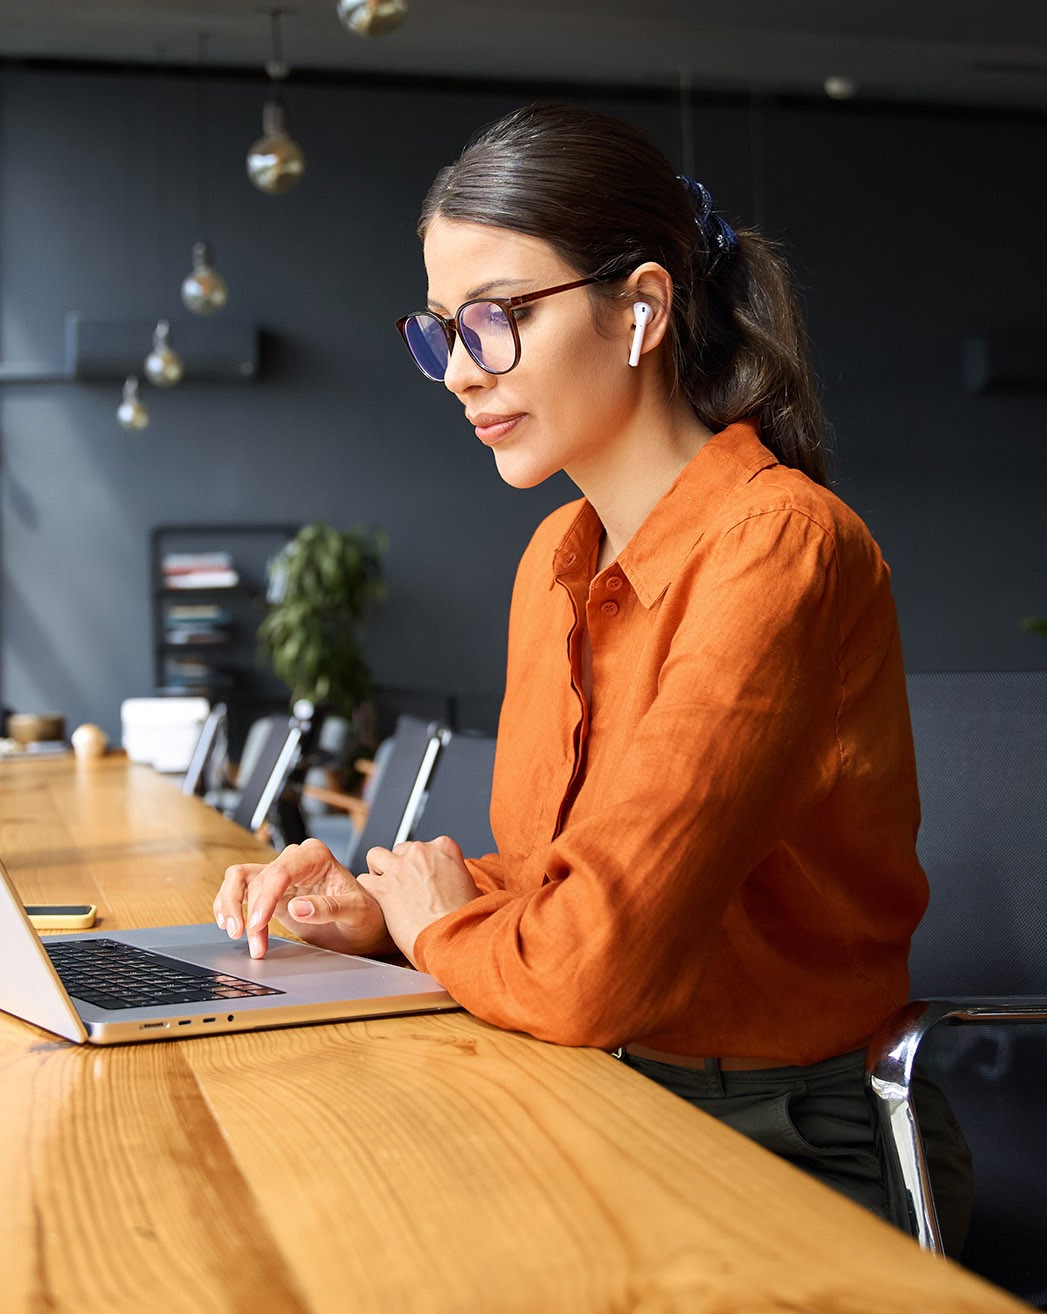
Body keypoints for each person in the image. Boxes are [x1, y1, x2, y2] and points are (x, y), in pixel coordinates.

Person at [210, 102, 972, 1253]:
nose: (461, 375)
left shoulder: (781, 547)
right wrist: (380, 914)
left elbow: (594, 967)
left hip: (785, 1149)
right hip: (600, 1088)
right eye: (440, 333)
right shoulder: (556, 560)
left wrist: (436, 933)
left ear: (643, 310)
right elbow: (560, 875)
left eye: (497, 320)